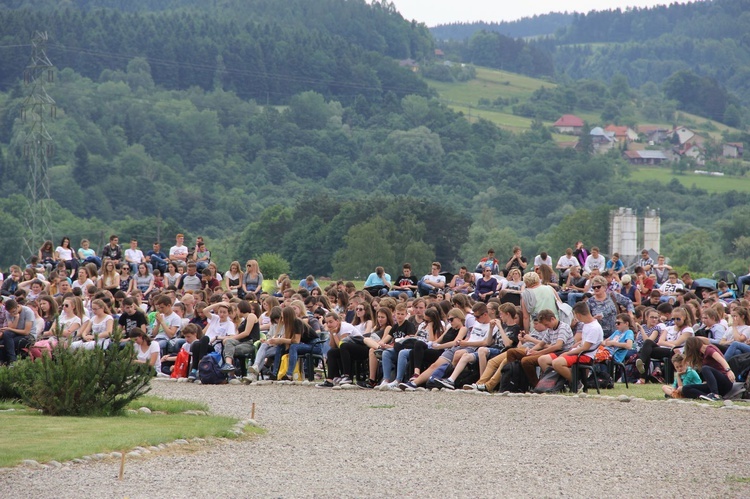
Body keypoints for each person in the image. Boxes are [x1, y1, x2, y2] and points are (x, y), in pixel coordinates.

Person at [543, 301, 603, 388]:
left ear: (578, 315)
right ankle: (558, 384)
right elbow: (586, 342)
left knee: (557, 363)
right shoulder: (587, 324)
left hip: (585, 356)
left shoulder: (594, 328)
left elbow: (586, 348)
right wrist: (576, 345)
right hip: (578, 351)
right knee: (545, 360)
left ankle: (576, 383)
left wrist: (567, 353)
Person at [681, 336, 737, 401]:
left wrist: (728, 371)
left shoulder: (709, 349)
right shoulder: (703, 354)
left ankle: (715, 395)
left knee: (705, 368)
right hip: (716, 385)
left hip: (724, 382)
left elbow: (721, 359)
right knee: (685, 388)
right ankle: (706, 397)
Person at [316, 312, 363, 388]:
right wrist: (332, 333)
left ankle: (347, 376)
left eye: (331, 322)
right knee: (331, 352)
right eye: (327, 322)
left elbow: (341, 345)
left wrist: (334, 334)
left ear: (337, 321)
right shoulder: (334, 329)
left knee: (343, 346)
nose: (328, 325)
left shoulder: (345, 327)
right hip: (347, 350)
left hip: (360, 347)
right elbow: (332, 346)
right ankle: (330, 379)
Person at [221, 300, 261, 376]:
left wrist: (231, 339)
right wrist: (227, 339)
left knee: (230, 350)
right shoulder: (243, 322)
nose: (236, 312)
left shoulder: (251, 316)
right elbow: (236, 335)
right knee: (228, 344)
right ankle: (228, 365)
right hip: (242, 342)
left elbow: (246, 333)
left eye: (237, 310)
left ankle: (232, 373)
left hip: (250, 343)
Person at [0, 299, 37, 365]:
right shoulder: (9, 313)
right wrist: (16, 318)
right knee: (5, 336)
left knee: (7, 343)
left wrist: (9, 329)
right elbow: (12, 327)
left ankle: (12, 361)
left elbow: (26, 332)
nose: (12, 314)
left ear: (17, 306)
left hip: (29, 336)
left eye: (14, 312)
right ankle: (7, 362)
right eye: (10, 313)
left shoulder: (28, 311)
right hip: (16, 334)